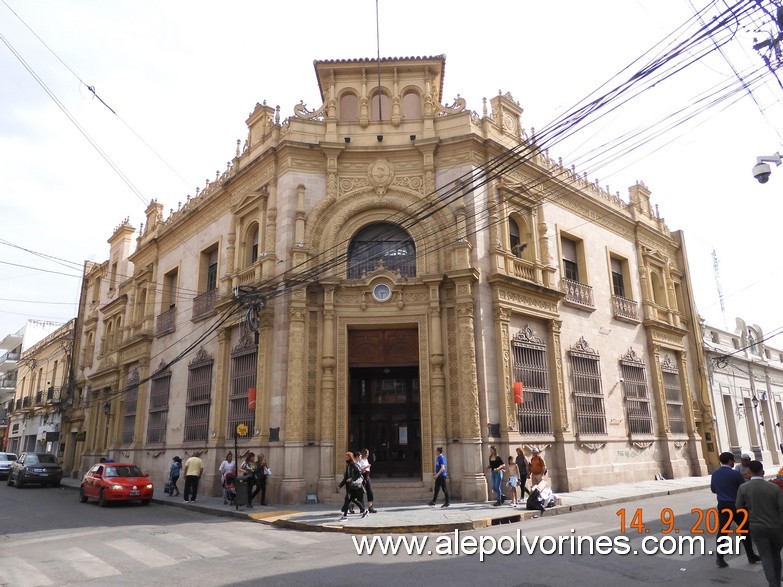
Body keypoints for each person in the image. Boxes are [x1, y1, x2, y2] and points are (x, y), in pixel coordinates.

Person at [736, 460, 783, 586]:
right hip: (775, 526)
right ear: (762, 471)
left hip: (756, 526)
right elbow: (782, 508)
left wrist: (750, 509)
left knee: (765, 556)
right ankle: (777, 581)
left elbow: (739, 507)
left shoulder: (743, 488)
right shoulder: (774, 488)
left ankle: (773, 583)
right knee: (776, 555)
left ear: (749, 472)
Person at [710, 451, 760, 568]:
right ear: (730, 460)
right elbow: (743, 489)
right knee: (744, 531)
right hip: (737, 506)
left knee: (722, 531)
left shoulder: (715, 474)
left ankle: (720, 558)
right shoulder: (735, 474)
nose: (734, 462)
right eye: (733, 460)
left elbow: (713, 489)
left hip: (722, 505)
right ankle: (751, 555)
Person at [337, 451, 368, 520]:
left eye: (347, 457)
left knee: (348, 500)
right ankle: (364, 511)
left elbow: (359, 473)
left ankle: (345, 516)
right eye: (345, 457)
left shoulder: (353, 465)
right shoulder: (348, 466)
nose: (346, 459)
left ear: (350, 458)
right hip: (350, 486)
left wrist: (352, 479)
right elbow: (345, 478)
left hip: (353, 486)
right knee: (352, 500)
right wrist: (340, 486)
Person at [357, 448, 377, 513]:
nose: (368, 455)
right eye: (367, 453)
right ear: (364, 454)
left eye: (368, 453)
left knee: (370, 491)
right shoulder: (360, 461)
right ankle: (362, 507)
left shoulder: (366, 460)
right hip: (362, 477)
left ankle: (370, 507)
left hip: (367, 477)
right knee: (361, 492)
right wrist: (366, 467)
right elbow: (359, 469)